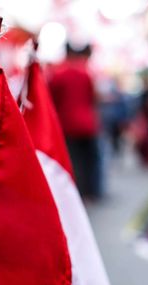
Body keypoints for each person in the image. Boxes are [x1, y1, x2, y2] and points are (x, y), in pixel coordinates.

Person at [49, 43, 103, 200]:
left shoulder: (58, 74)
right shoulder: (86, 73)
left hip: (67, 125)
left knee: (73, 160)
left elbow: (52, 100)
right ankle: (92, 192)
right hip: (87, 124)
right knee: (90, 160)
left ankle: (75, 193)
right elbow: (94, 98)